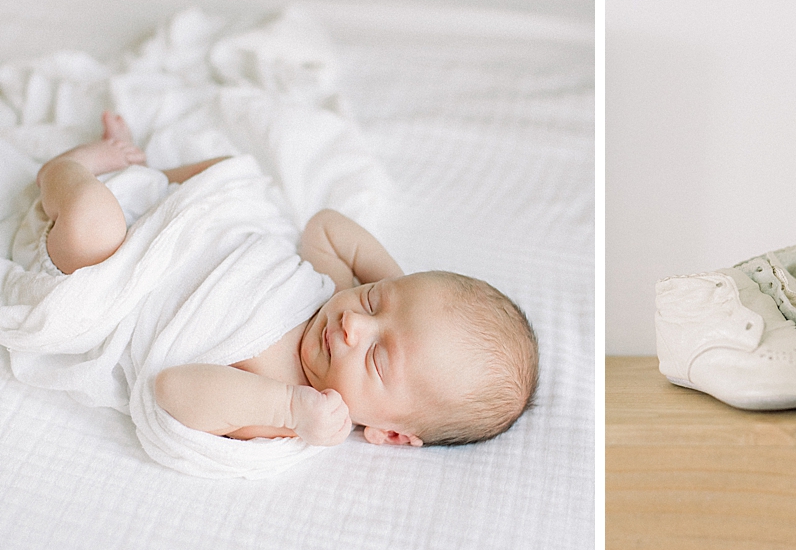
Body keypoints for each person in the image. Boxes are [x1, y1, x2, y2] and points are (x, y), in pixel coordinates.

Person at [32, 111, 538, 448]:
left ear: (389, 433)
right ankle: (147, 174)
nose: (353, 328)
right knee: (234, 168)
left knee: (92, 221)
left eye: (378, 358)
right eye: (375, 301)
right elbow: (327, 226)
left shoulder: (285, 406)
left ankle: (66, 169)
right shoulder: (335, 296)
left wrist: (291, 409)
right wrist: (398, 290)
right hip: (172, 218)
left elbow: (172, 390)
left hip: (114, 267)